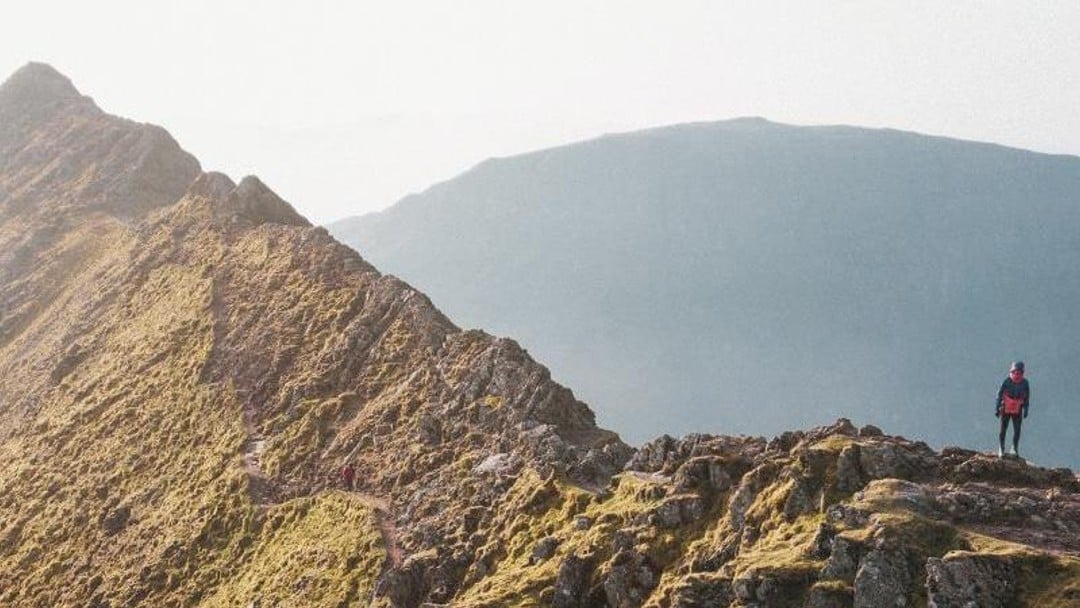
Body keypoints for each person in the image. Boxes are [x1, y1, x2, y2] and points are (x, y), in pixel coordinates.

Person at [995, 361, 1030, 458]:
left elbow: (1027, 396)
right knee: (1003, 429)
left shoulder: (1025, 383)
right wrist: (997, 407)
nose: (1017, 375)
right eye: (1015, 372)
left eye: (1019, 373)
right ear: (1012, 372)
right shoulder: (1006, 382)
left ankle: (1014, 448)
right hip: (1006, 408)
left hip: (1017, 409)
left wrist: (1026, 408)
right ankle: (1001, 448)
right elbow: (999, 395)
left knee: (1017, 430)